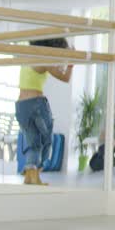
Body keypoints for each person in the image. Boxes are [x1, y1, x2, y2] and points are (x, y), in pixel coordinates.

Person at [16, 38, 73, 186]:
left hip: (21, 106)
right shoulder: (45, 60)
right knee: (46, 140)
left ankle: (30, 175)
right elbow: (65, 77)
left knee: (32, 141)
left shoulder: (27, 57)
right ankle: (37, 169)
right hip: (36, 103)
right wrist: (71, 63)